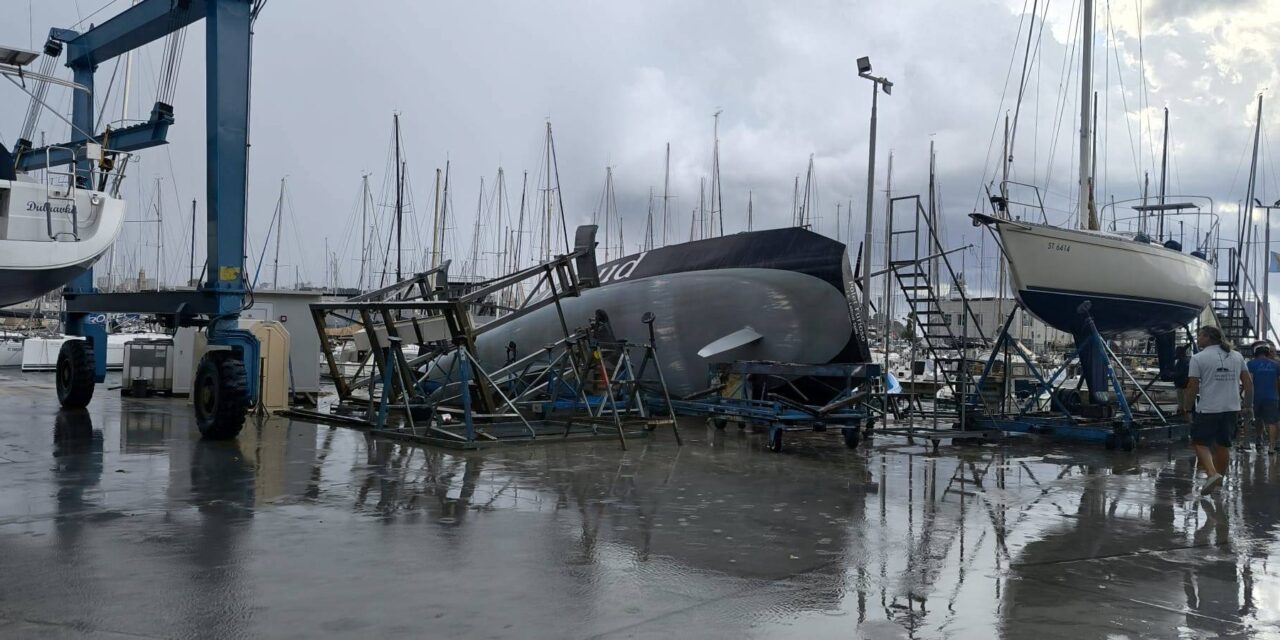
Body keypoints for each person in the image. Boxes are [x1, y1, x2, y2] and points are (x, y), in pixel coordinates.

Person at [1182, 326, 1253, 494]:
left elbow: (1192, 385)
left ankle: (1212, 474)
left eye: (1200, 336)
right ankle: (1218, 483)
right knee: (1223, 445)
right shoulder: (1237, 356)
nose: (1198, 339)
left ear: (1208, 337)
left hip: (1208, 408)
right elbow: (1248, 382)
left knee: (1199, 442)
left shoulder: (1198, 358)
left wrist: (1186, 407)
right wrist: (1248, 405)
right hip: (1231, 408)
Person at [1247, 342, 1280, 453]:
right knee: (1272, 422)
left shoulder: (1251, 364)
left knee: (1258, 420)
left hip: (1256, 396)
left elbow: (1249, 382)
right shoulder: (1276, 365)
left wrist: (1245, 398)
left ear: (1255, 352)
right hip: (1272, 397)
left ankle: (1259, 440)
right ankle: (1271, 447)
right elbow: (1278, 382)